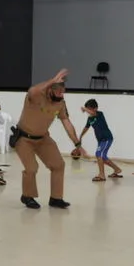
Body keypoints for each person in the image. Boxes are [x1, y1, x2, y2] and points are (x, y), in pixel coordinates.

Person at [15, 69, 84, 210]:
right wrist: (52, 80)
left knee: (58, 165)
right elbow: (32, 90)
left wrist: (77, 143)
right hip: (24, 138)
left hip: (43, 139)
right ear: (50, 90)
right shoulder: (37, 96)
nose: (61, 94)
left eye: (63, 92)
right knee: (32, 168)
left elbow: (66, 122)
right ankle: (27, 196)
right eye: (58, 91)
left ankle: (56, 198)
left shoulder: (60, 103)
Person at [79, 99, 122, 182]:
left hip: (107, 138)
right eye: (87, 109)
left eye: (89, 109)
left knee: (98, 154)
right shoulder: (90, 119)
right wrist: (80, 136)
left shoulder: (99, 114)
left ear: (95, 108)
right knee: (103, 157)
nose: (88, 111)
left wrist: (84, 108)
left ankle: (102, 175)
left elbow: (93, 113)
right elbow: (86, 128)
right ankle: (117, 169)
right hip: (100, 140)